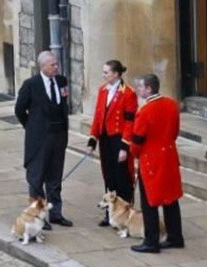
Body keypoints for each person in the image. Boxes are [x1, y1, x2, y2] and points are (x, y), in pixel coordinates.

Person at [14, 50, 73, 228]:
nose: (56, 67)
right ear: (43, 67)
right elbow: (19, 109)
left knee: (55, 178)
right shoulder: (31, 84)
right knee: (37, 178)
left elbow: (63, 104)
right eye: (52, 65)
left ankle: (56, 213)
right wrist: (32, 127)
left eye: (56, 64)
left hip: (58, 136)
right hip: (40, 139)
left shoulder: (62, 81)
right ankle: (39, 215)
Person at [127, 73, 185, 253]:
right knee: (171, 199)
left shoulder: (145, 111)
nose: (138, 90)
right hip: (169, 156)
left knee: (149, 202)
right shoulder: (172, 105)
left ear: (149, 89)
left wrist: (134, 154)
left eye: (141, 87)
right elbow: (175, 132)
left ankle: (151, 241)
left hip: (151, 161)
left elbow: (137, 141)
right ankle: (175, 236)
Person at [86, 59, 138, 224]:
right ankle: (110, 214)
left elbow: (130, 122)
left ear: (116, 74)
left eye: (106, 72)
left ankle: (125, 215)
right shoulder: (103, 90)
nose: (103, 75)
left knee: (122, 177)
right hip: (106, 140)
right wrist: (92, 139)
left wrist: (124, 147)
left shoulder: (128, 93)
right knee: (109, 176)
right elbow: (98, 116)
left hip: (119, 139)